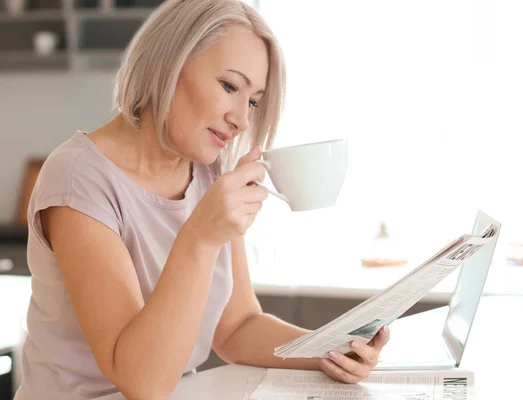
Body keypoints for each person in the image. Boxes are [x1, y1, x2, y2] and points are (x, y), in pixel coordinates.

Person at [14, 0, 390, 399]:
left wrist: (330, 349)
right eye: (229, 86)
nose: (242, 119)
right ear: (168, 64)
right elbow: (141, 381)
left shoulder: (207, 172)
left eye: (253, 101)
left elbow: (237, 327)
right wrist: (201, 236)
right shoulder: (78, 177)